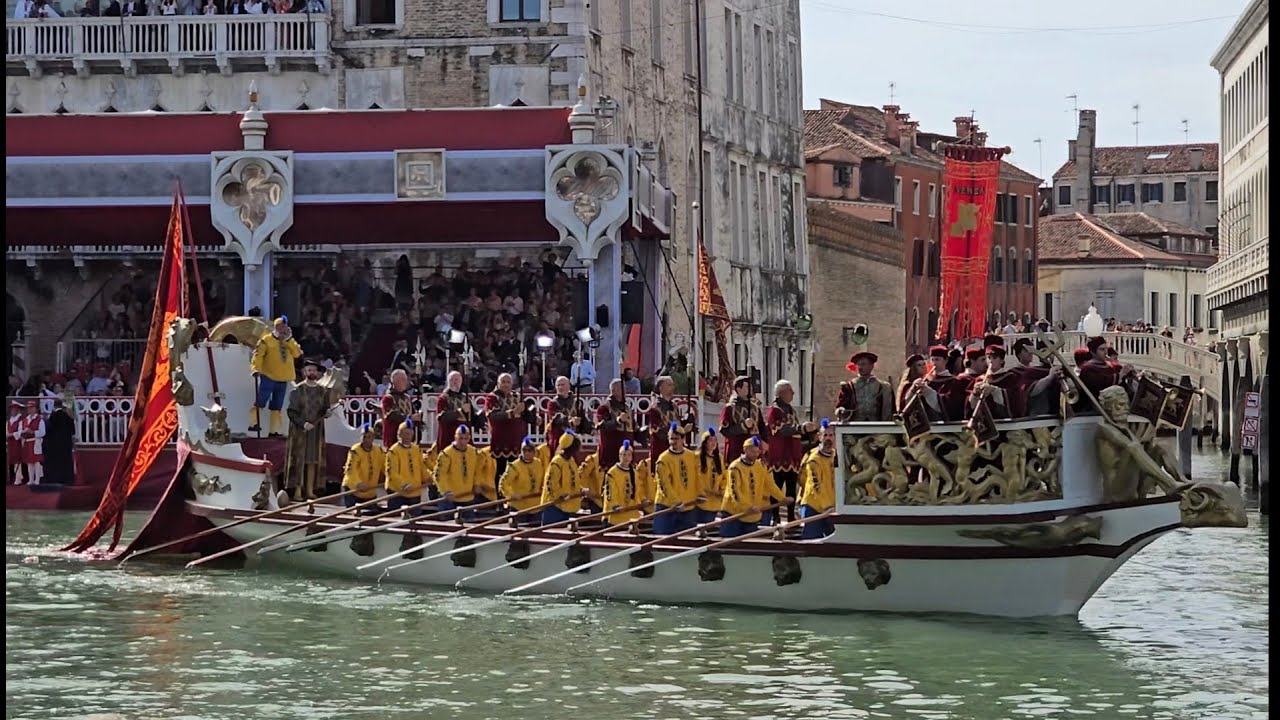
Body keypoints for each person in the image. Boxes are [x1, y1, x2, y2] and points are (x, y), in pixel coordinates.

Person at [765, 380, 815, 523]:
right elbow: (781, 430)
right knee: (777, 488)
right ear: (781, 393)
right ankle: (775, 517)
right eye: (790, 391)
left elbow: (796, 431)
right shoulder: (775, 410)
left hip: (792, 455)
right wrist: (801, 428)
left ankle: (791, 516)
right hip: (780, 455)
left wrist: (809, 433)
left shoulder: (790, 410)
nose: (793, 393)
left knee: (792, 488)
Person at [720, 437, 785, 538]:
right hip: (733, 513)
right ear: (745, 450)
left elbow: (770, 485)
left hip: (751, 514)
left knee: (750, 542)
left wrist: (782, 498)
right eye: (752, 451)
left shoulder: (760, 466)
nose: (755, 454)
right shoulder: (735, 467)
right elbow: (735, 492)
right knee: (729, 543)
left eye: (757, 452)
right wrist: (747, 507)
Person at [284, 359, 330, 501]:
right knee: (300, 460)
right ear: (305, 372)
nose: (312, 372)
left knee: (313, 460)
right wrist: (303, 424)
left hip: (316, 432)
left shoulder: (323, 391)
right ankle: (298, 491)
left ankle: (310, 490)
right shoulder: (297, 390)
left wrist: (327, 412)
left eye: (314, 370)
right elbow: (292, 412)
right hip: (300, 432)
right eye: (309, 370)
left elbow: (324, 408)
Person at [249, 317, 302, 437]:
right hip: (269, 375)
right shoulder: (266, 340)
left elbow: (297, 354)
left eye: (285, 327)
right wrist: (255, 369)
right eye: (281, 327)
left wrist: (289, 340)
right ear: (276, 327)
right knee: (261, 400)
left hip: (283, 378)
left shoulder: (290, 341)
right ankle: (253, 423)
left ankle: (274, 430)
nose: (283, 330)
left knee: (277, 405)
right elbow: (258, 355)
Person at [483, 373, 530, 486]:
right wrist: (512, 413)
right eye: (503, 382)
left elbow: (525, 413)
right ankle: (500, 496)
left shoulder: (516, 396)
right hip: (501, 438)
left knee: (516, 468)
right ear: (498, 383)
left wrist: (534, 418)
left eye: (508, 382)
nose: (506, 385)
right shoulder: (492, 398)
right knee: (501, 469)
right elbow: (493, 415)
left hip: (516, 439)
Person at [434, 425, 489, 521]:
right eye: (460, 438)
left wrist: (477, 484)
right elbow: (439, 475)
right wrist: (446, 491)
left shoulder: (474, 452)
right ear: (455, 437)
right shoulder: (446, 454)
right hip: (450, 498)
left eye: (466, 438)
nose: (463, 441)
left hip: (468, 497)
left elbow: (478, 471)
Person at [653, 422, 701, 534]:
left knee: (688, 540)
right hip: (667, 506)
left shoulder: (691, 456)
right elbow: (664, 485)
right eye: (671, 439)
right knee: (663, 541)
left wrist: (700, 493)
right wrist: (676, 502)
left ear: (683, 439)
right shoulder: (663, 459)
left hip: (687, 507)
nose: (673, 442)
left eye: (676, 438)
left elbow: (697, 478)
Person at [643, 375, 694, 470]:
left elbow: (676, 423)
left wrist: (687, 422)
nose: (672, 388)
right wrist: (681, 431)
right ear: (661, 388)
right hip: (662, 450)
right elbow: (659, 431)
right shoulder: (654, 409)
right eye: (669, 385)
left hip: (677, 451)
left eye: (673, 385)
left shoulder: (674, 406)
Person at [797, 419, 837, 539]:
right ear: (819, 437)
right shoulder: (813, 459)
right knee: (811, 540)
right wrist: (827, 506)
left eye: (831, 435)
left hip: (832, 507)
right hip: (813, 505)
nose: (828, 439)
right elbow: (816, 486)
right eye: (825, 435)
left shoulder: (837, 456)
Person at [384, 419, 429, 515]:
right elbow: (392, 473)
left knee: (415, 519)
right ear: (399, 435)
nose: (408, 437)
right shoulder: (393, 451)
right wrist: (403, 485)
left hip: (414, 491)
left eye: (410, 434)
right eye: (406, 434)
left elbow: (422, 467)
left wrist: (429, 478)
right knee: (395, 519)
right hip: (398, 492)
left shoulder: (416, 449)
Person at [541, 431, 586, 525]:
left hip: (569, 505)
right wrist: (560, 496)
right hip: (554, 506)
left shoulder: (571, 460)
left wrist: (580, 490)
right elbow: (551, 485)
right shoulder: (556, 462)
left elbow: (573, 480)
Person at [834, 352, 894, 422]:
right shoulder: (849, 386)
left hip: (877, 426)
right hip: (854, 427)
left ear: (871, 366)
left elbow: (891, 410)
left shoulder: (884, 387)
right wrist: (841, 411)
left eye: (863, 364)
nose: (860, 367)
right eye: (858, 364)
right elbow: (841, 406)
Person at [720, 376, 767, 464]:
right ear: (738, 389)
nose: (750, 389)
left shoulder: (755, 407)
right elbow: (725, 430)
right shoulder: (730, 408)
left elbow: (761, 426)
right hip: (737, 450)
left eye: (750, 386)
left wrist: (765, 441)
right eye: (746, 387)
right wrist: (743, 426)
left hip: (755, 450)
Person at [498, 436, 545, 524]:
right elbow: (503, 483)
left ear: (534, 452)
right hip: (519, 506)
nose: (527, 453)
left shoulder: (538, 463)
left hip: (535, 506)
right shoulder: (514, 466)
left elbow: (542, 480)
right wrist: (512, 495)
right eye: (524, 450)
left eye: (529, 450)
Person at [342, 424, 385, 514]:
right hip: (353, 490)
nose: (365, 439)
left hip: (370, 492)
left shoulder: (378, 451)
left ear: (373, 438)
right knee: (353, 514)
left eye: (368, 437)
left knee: (372, 514)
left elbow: (385, 467)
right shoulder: (355, 451)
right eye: (364, 436)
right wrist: (358, 483)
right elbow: (351, 470)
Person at [594, 378, 635, 469]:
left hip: (626, 451)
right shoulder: (605, 407)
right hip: (611, 450)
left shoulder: (627, 407)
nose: (625, 391)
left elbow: (633, 426)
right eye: (622, 388)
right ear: (613, 390)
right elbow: (602, 425)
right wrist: (618, 421)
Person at [602, 439, 642, 525]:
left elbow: (637, 490)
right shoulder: (612, 472)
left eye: (629, 455)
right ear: (620, 456)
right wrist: (615, 505)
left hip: (630, 513)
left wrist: (639, 502)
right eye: (624, 455)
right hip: (615, 513)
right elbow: (610, 492)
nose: (626, 457)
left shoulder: (634, 473)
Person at [544, 375, 588, 452]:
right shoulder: (553, 403)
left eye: (562, 385)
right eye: (558, 385)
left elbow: (582, 418)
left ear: (568, 386)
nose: (560, 387)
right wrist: (570, 421)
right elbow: (557, 418)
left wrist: (590, 428)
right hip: (559, 439)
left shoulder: (576, 402)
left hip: (573, 440)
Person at [433, 370, 473, 453]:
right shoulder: (443, 398)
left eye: (457, 380)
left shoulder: (465, 398)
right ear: (448, 382)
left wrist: (480, 422)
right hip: (449, 436)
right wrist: (460, 411)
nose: (455, 382)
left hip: (465, 437)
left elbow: (471, 417)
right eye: (453, 379)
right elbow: (443, 417)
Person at [379, 369, 419, 449]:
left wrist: (418, 417)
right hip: (394, 439)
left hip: (408, 440)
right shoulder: (388, 398)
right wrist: (410, 418)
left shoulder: (407, 397)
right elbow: (393, 415)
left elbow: (413, 413)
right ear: (395, 381)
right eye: (403, 379)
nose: (406, 382)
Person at [925, 345, 967, 421]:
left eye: (937, 360)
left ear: (946, 360)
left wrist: (928, 392)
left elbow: (950, 404)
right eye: (932, 360)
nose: (934, 363)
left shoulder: (954, 381)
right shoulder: (927, 380)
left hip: (945, 424)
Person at [41, 399, 76, 486]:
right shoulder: (68, 417)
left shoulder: (53, 416)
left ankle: (54, 479)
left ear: (54, 406)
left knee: (55, 463)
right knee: (66, 462)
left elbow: (48, 429)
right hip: (66, 445)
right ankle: (67, 480)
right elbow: (73, 431)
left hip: (54, 446)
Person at [694, 428, 725, 524]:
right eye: (710, 440)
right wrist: (700, 492)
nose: (713, 443)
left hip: (715, 501)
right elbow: (694, 477)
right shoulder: (696, 457)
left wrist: (722, 491)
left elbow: (724, 477)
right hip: (701, 500)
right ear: (704, 442)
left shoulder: (719, 458)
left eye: (715, 440)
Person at [18, 400, 46, 486]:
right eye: (29, 408)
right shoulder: (24, 420)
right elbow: (19, 431)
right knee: (29, 462)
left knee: (36, 461)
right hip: (26, 442)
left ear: (35, 409)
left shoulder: (40, 420)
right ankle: (31, 479)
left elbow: (42, 432)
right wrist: (23, 433)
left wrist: (32, 432)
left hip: (36, 442)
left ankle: (37, 479)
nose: (30, 410)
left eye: (32, 408)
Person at [8, 401, 25, 485]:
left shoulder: (21, 419)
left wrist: (12, 434)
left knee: (17, 459)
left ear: (18, 410)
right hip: (10, 442)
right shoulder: (9, 420)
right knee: (11, 460)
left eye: (14, 409)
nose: (12, 411)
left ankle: (19, 478)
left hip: (17, 442)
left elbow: (21, 432)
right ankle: (12, 477)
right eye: (12, 409)